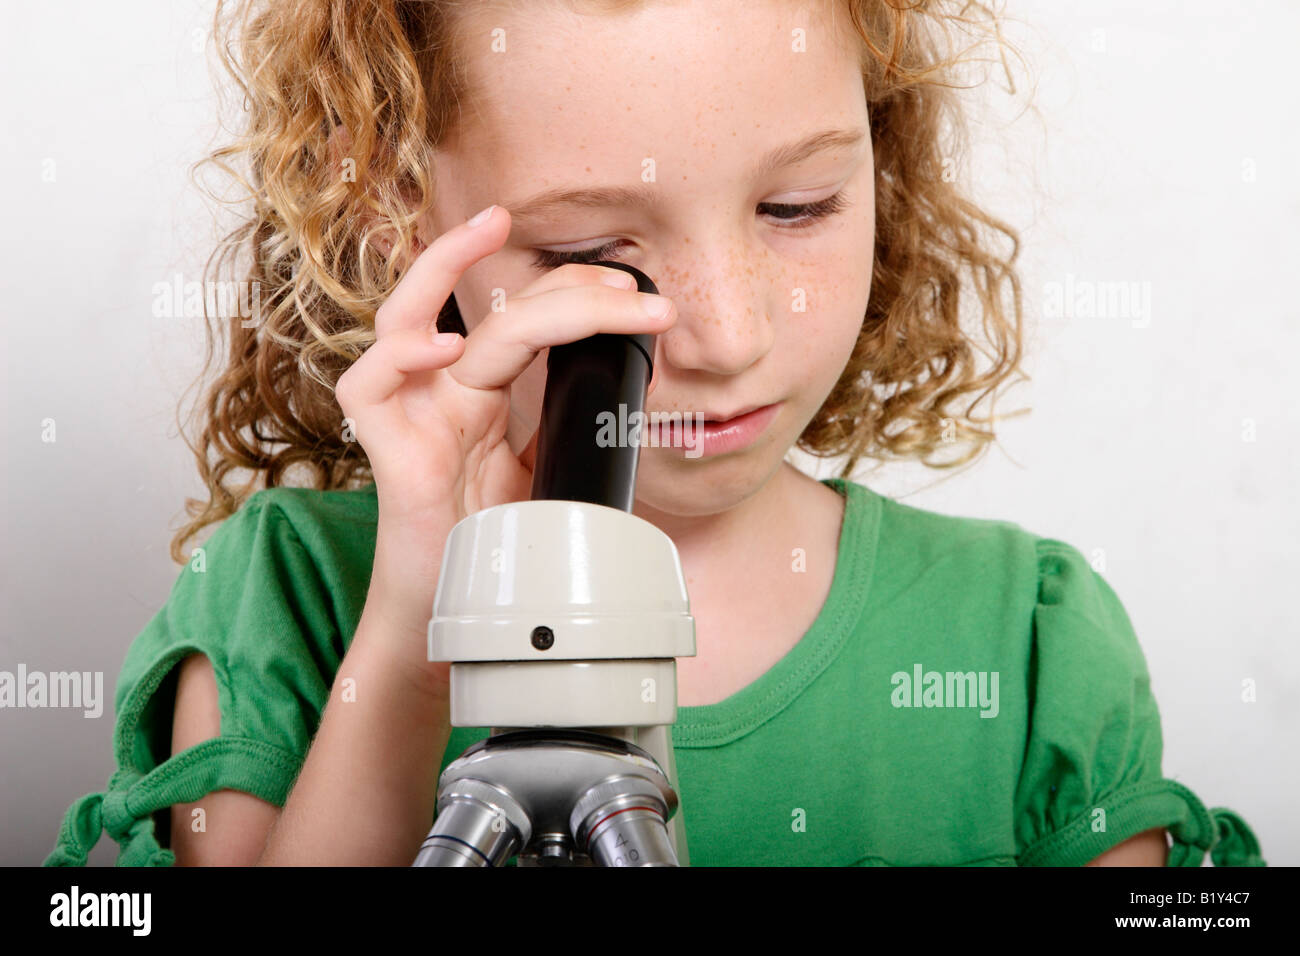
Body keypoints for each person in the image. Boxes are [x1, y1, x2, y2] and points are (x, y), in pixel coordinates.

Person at [45, 0, 1264, 867]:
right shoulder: (290, 605)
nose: (727, 336)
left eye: (797, 207)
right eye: (594, 253)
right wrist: (422, 598)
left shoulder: (1030, 638)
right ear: (396, 221)